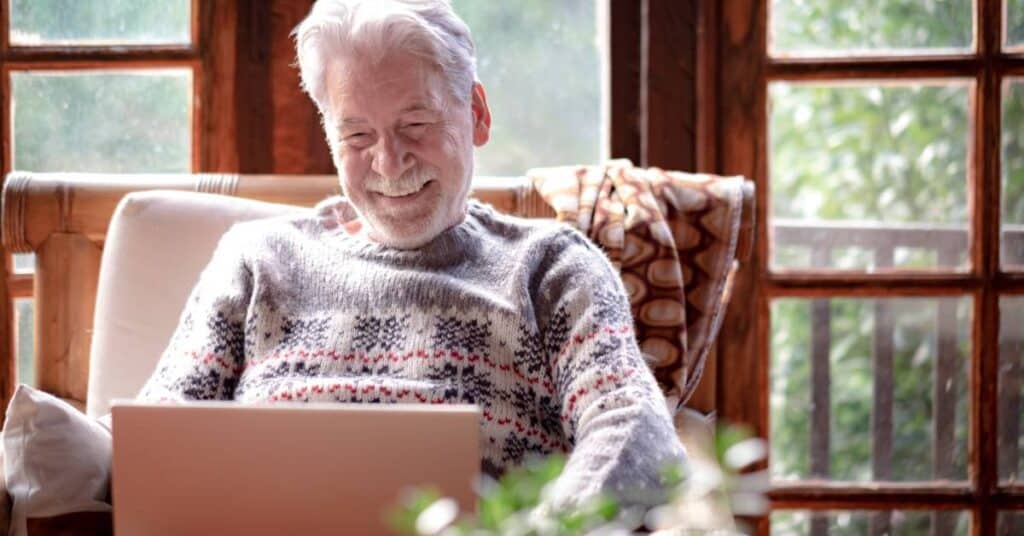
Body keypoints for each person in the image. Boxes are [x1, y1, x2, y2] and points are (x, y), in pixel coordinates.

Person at [137, 0, 685, 513]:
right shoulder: (257, 260)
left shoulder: (552, 269)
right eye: (356, 135)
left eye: (415, 125)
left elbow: (634, 429)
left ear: (475, 112)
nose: (389, 162)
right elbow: (155, 440)